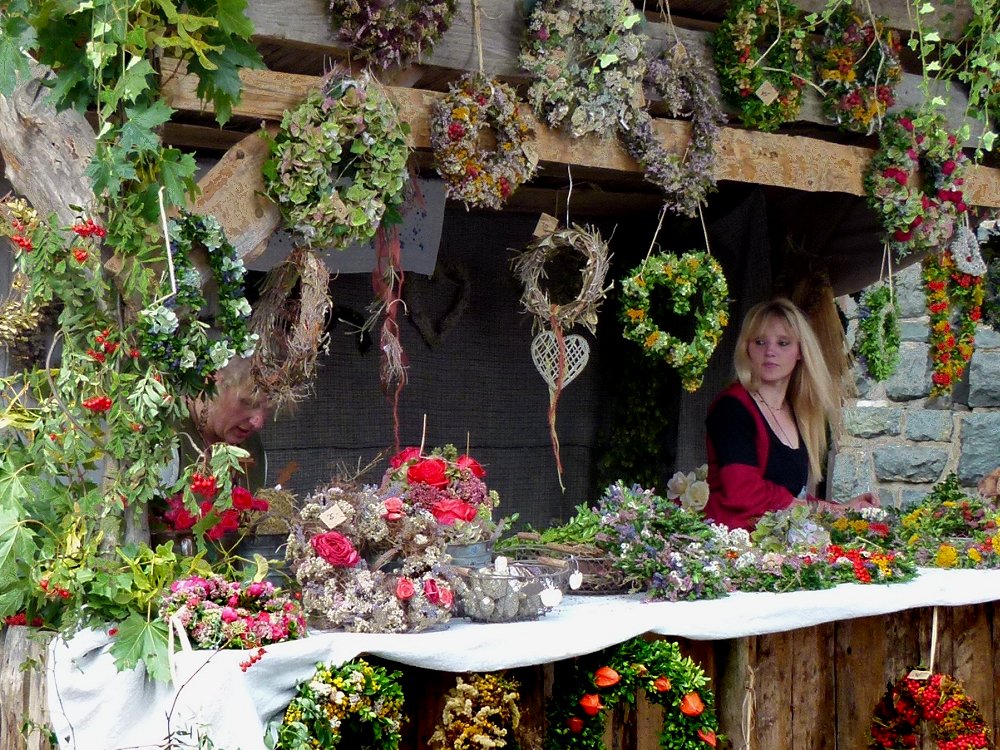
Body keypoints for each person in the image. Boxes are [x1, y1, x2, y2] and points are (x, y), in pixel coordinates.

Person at [704, 298, 877, 530]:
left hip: (775, 547)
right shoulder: (733, 408)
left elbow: (790, 498)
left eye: (783, 343)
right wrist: (830, 511)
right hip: (733, 549)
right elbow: (742, 491)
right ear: (747, 349)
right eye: (760, 342)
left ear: (800, 351)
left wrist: (844, 509)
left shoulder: (799, 413)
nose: (770, 352)